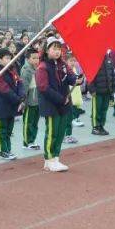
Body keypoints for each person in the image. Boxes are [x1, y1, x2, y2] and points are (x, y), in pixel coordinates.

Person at [36, 40, 79, 172]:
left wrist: (77, 79)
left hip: (64, 104)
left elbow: (70, 77)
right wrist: (61, 99)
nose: (57, 51)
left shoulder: (63, 64)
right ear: (47, 50)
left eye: (59, 49)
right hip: (51, 105)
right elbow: (44, 88)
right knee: (52, 133)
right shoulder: (42, 67)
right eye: (54, 48)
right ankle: (48, 160)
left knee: (60, 132)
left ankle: (56, 158)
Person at [0, 48, 24, 160]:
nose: (10, 60)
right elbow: (5, 90)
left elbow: (20, 82)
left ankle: (8, 149)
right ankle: (2, 151)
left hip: (12, 105)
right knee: (2, 130)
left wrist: (22, 97)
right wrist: (18, 100)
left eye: (10, 57)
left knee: (9, 130)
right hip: (1, 106)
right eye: (7, 58)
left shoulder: (12, 70)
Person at [19, 48, 41, 150]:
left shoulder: (37, 68)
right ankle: (27, 142)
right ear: (28, 59)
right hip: (29, 102)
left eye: (37, 58)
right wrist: (23, 101)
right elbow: (24, 88)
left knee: (35, 122)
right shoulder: (26, 70)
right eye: (34, 58)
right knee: (28, 122)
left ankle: (32, 140)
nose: (36, 60)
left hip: (37, 101)